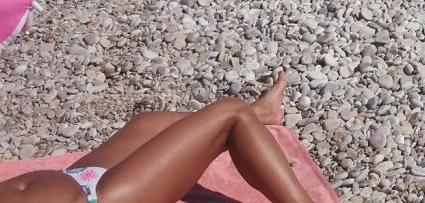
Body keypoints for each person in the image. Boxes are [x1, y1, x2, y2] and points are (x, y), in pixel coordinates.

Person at [0, 74, 314, 203]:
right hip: (101, 198)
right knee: (230, 114)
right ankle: (249, 122)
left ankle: (259, 116)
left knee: (148, 123)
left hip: (78, 180)